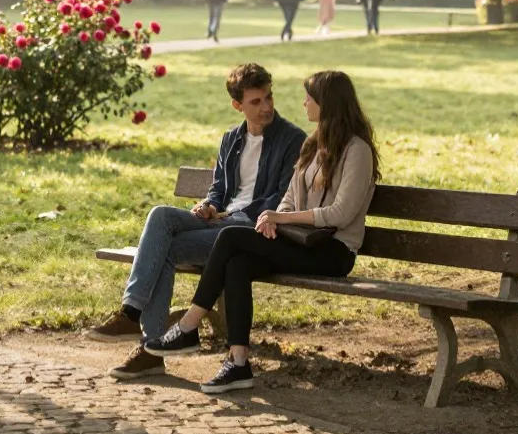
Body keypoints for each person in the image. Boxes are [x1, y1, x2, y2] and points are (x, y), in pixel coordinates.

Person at [145, 70, 379, 394]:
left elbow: (340, 214)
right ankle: (238, 362)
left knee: (230, 238)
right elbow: (288, 198)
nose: (303, 102)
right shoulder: (314, 144)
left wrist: (281, 219)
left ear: (327, 103)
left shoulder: (357, 151)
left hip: (333, 252)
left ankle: (188, 326)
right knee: (237, 263)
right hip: (300, 242)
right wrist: (276, 217)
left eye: (309, 97)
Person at [87, 63, 305, 381]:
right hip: (219, 223)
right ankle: (131, 312)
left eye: (269, 98)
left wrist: (227, 216)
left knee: (166, 248)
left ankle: (148, 348)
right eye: (256, 102)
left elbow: (281, 199)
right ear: (238, 105)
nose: (266, 107)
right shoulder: (231, 139)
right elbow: (219, 189)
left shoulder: (292, 140)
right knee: (160, 215)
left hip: (248, 231)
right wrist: (209, 205)